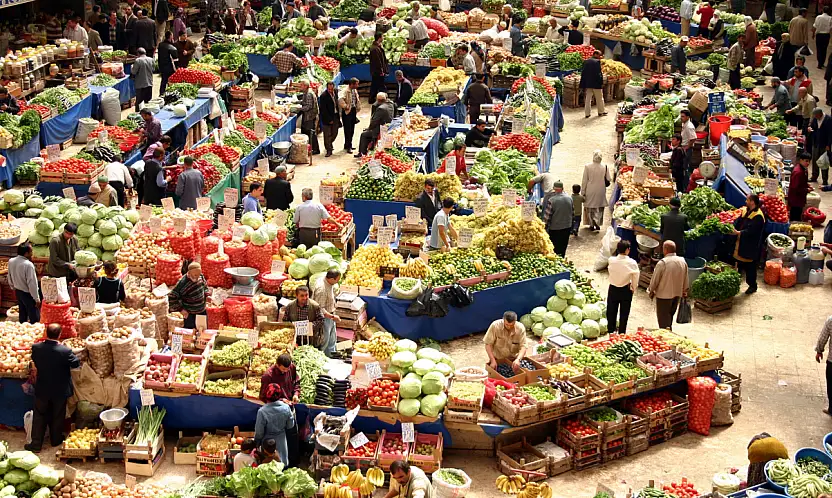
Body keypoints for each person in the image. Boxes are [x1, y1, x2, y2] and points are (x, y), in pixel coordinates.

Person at [24, 324, 80, 452]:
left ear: (46, 333)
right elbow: (75, 363)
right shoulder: (65, 351)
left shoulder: (36, 348)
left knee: (39, 416)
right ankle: (56, 440)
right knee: (57, 415)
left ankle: (36, 444)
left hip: (42, 388)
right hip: (59, 390)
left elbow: (34, 359)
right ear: (59, 335)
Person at [647, 240, 689, 330]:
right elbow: (686, 277)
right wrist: (685, 290)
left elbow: (655, 280)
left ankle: (665, 339)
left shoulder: (663, 263)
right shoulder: (682, 261)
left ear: (665, 249)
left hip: (664, 296)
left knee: (663, 320)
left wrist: (651, 290)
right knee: (670, 317)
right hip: (677, 295)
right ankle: (669, 332)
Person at [732, 193, 765, 294]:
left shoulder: (758, 216)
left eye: (747, 200)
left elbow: (752, 231)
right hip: (741, 243)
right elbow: (739, 221)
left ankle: (752, 285)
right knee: (738, 264)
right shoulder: (746, 211)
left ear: (752, 202)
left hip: (750, 245)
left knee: (749, 266)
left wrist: (738, 233)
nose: (745, 201)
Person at [255, 384, 295, 465]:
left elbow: (259, 432)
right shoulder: (286, 408)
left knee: (268, 466)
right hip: (281, 439)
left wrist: (257, 442)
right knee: (281, 462)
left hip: (267, 441)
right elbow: (290, 425)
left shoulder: (262, 411)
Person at [607, 240, 639, 334]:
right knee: (624, 313)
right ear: (627, 250)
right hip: (626, 289)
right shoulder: (632, 263)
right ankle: (622, 333)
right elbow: (636, 276)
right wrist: (633, 287)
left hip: (613, 288)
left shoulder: (611, 260)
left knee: (611, 311)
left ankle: (611, 332)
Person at [169, 262, 209, 329]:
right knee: (190, 333)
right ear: (189, 273)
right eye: (195, 275)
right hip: (190, 314)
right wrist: (181, 309)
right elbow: (172, 297)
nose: (197, 277)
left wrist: (206, 294)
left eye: (199, 274)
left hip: (202, 310)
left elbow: (204, 286)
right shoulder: (182, 283)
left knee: (202, 330)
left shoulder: (200, 276)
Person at [8, 243, 40, 324]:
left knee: (22, 315)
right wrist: (36, 298)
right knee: (34, 318)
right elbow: (32, 283)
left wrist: (13, 287)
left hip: (18, 292)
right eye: (31, 251)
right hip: (28, 294)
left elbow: (9, 276)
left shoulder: (11, 261)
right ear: (26, 253)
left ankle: (22, 327)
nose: (32, 253)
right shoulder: (28, 265)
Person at [312, 269, 341, 356]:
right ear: (331, 279)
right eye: (337, 280)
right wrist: (332, 317)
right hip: (324, 318)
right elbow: (320, 308)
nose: (337, 282)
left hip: (331, 313)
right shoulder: (322, 290)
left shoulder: (326, 279)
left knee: (332, 337)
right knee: (325, 339)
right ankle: (323, 357)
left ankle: (331, 354)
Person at [357, 93, 394, 157]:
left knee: (364, 135)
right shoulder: (391, 104)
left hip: (380, 130)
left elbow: (374, 122)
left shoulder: (381, 109)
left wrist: (369, 128)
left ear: (378, 100)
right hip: (388, 126)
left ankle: (362, 152)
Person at [581, 150, 610, 231]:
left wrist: (583, 192)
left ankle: (591, 224)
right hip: (601, 189)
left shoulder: (587, 166)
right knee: (599, 207)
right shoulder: (605, 166)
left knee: (590, 208)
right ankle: (597, 222)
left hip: (590, 189)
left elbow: (584, 180)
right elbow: (608, 178)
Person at [542, 181, 573, 256]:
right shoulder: (569, 198)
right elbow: (572, 213)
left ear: (554, 189)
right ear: (562, 189)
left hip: (555, 228)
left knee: (555, 247)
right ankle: (562, 259)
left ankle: (556, 261)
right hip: (567, 226)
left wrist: (544, 228)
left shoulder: (552, 200)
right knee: (563, 246)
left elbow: (547, 217)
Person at [808, 108, 832, 183]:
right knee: (815, 160)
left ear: (820, 114)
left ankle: (825, 179)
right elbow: (812, 126)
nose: (815, 117)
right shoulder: (815, 119)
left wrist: (828, 144)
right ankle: (814, 176)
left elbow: (830, 133)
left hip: (824, 144)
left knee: (824, 161)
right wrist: (809, 129)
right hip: (815, 143)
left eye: (816, 116)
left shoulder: (828, 119)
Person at [580, 51, 606, 118]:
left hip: (588, 83)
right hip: (596, 84)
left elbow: (583, 73)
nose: (600, 57)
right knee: (599, 98)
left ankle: (587, 114)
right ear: (595, 54)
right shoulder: (597, 62)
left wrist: (583, 84)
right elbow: (599, 74)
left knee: (588, 99)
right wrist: (601, 82)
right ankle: (601, 112)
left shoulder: (586, 61)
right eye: (599, 55)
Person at [338, 77, 361, 153]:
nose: (357, 86)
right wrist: (345, 106)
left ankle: (348, 144)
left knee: (352, 129)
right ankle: (348, 146)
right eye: (356, 84)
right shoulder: (345, 91)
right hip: (347, 112)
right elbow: (340, 99)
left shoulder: (354, 90)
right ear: (352, 84)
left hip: (353, 111)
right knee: (347, 129)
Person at [319, 81, 340, 158]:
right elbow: (323, 110)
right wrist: (328, 119)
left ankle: (329, 144)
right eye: (329, 89)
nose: (331, 90)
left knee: (335, 132)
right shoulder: (323, 96)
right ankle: (328, 149)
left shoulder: (336, 93)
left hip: (335, 115)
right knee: (327, 134)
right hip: (327, 117)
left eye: (332, 89)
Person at [298, 81, 320, 156]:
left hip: (310, 116)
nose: (300, 87)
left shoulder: (309, 94)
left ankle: (315, 149)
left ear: (305, 86)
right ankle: (310, 148)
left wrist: (299, 109)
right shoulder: (306, 93)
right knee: (308, 132)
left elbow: (309, 106)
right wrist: (298, 102)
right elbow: (305, 102)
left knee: (311, 133)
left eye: (301, 85)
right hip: (309, 116)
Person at [788, 153, 811, 220]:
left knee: (798, 214)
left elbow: (801, 183)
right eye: (806, 161)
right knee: (795, 217)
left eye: (809, 161)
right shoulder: (798, 172)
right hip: (796, 200)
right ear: (801, 160)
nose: (808, 163)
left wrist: (807, 185)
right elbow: (795, 188)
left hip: (799, 200)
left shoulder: (803, 169)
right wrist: (807, 190)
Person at [369, 33, 388, 104]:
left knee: (376, 85)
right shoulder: (374, 49)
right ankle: (383, 98)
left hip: (377, 71)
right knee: (380, 85)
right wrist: (381, 71)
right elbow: (377, 61)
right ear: (379, 38)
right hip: (377, 71)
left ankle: (372, 99)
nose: (383, 38)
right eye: (382, 36)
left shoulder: (377, 47)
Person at [680, 110, 696, 179]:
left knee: (685, 167)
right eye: (681, 116)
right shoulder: (684, 124)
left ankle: (685, 185)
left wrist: (687, 147)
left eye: (683, 116)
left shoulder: (689, 127)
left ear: (687, 117)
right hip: (683, 148)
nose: (681, 118)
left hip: (687, 149)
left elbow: (693, 138)